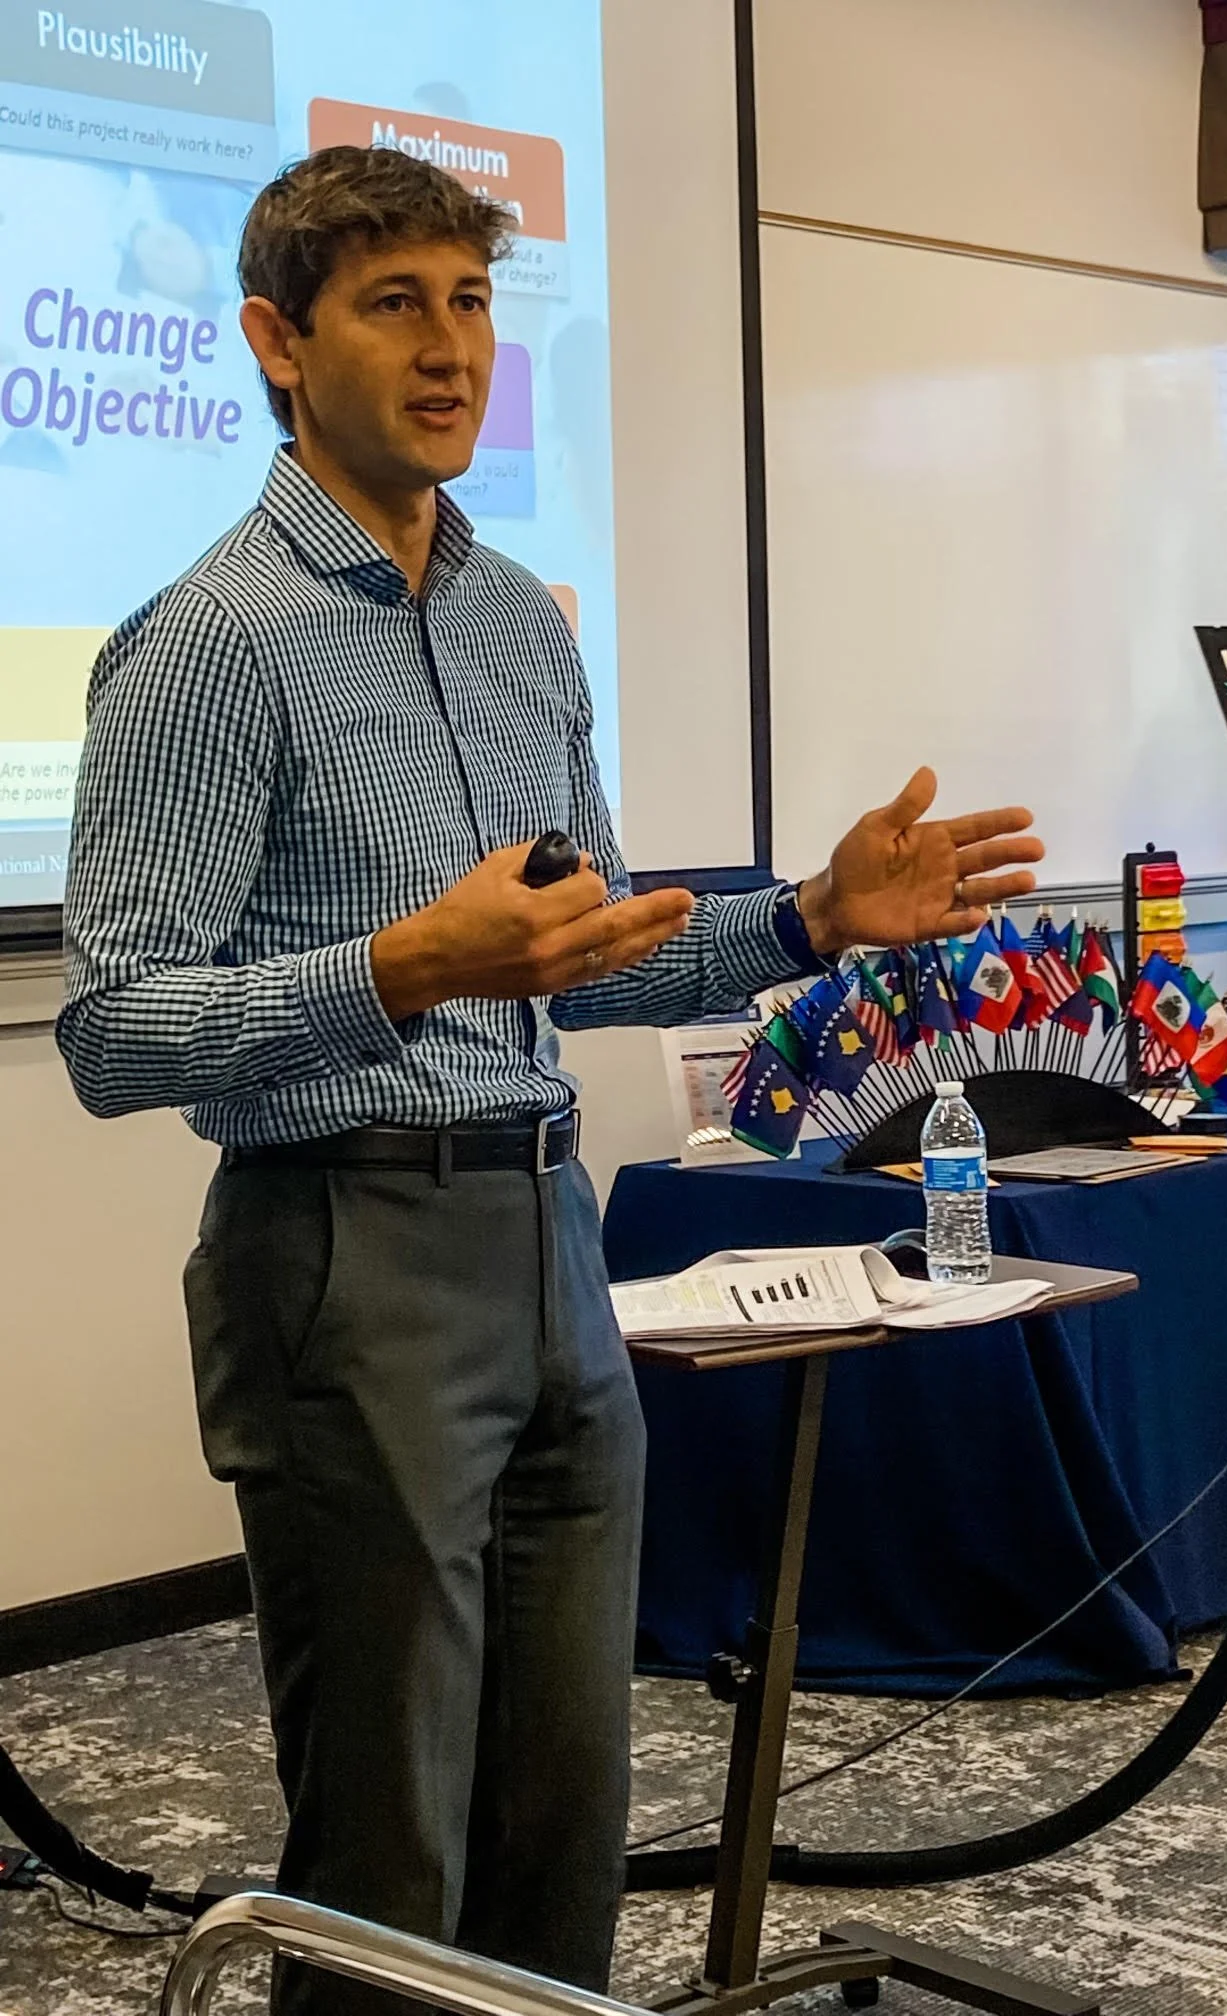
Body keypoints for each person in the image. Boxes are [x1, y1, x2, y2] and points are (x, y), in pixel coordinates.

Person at [56, 147, 1044, 2015]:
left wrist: (811, 918)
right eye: (393, 303)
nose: (450, 349)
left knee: (562, 1814)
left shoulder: (522, 623)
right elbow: (116, 1028)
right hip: (339, 1247)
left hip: (544, 1235)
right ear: (277, 341)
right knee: (386, 1843)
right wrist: (405, 965)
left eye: (473, 302)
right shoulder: (205, 646)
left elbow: (589, 946)